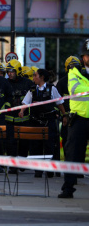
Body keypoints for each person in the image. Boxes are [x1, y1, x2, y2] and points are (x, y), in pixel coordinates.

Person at [19, 69, 67, 178]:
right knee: (35, 145)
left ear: (41, 77)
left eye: (35, 75)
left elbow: (60, 103)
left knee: (49, 145)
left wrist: (64, 115)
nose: (33, 78)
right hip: (35, 122)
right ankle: (38, 169)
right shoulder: (32, 90)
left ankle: (50, 169)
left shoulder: (51, 89)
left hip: (48, 121)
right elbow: (25, 103)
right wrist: (21, 111)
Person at [58, 40, 89, 198]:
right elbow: (75, 89)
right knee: (72, 154)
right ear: (83, 57)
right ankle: (68, 188)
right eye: (87, 55)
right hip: (79, 119)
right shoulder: (74, 73)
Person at [5, 60, 33, 174]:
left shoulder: (28, 83)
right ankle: (13, 166)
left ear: (18, 71)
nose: (10, 74)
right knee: (10, 143)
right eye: (8, 71)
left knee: (24, 143)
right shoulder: (5, 83)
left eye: (12, 71)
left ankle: (22, 161)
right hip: (9, 119)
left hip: (24, 119)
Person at [56, 56, 81, 154]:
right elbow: (57, 101)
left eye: (76, 67)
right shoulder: (62, 83)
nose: (74, 70)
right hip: (67, 118)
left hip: (81, 116)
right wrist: (63, 115)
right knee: (66, 139)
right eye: (71, 67)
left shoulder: (84, 80)